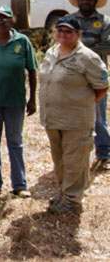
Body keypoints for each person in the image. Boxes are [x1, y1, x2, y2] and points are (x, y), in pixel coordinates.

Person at [39, 16, 109, 213]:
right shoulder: (52, 52)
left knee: (75, 161)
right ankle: (64, 193)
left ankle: (73, 201)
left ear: (78, 35)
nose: (63, 34)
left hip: (76, 119)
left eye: (68, 31)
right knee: (59, 160)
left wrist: (80, 102)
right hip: (52, 117)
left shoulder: (87, 57)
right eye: (60, 30)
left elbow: (102, 86)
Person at [0, 6, 37, 197]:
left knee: (15, 142)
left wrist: (32, 98)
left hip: (15, 101)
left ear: (12, 21)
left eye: (5, 18)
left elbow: (32, 70)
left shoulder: (22, 41)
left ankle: (20, 185)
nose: (1, 21)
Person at [67, 0, 110, 171]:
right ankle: (76, 154)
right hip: (73, 75)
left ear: (95, 2)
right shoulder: (68, 20)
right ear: (78, 1)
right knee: (74, 116)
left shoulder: (105, 21)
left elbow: (108, 47)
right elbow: (64, 44)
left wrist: (80, 44)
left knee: (99, 116)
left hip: (97, 75)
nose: (86, 1)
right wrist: (94, 41)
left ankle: (104, 153)